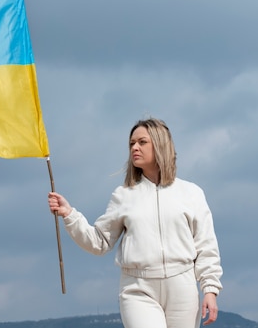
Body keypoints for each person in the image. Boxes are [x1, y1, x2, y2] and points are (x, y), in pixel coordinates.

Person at [48, 117, 222, 328]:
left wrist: (210, 290)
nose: (134, 148)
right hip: (137, 289)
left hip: (182, 287)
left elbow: (206, 247)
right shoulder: (123, 195)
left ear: (160, 144)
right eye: (131, 143)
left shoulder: (192, 193)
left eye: (142, 142)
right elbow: (99, 242)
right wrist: (69, 214)